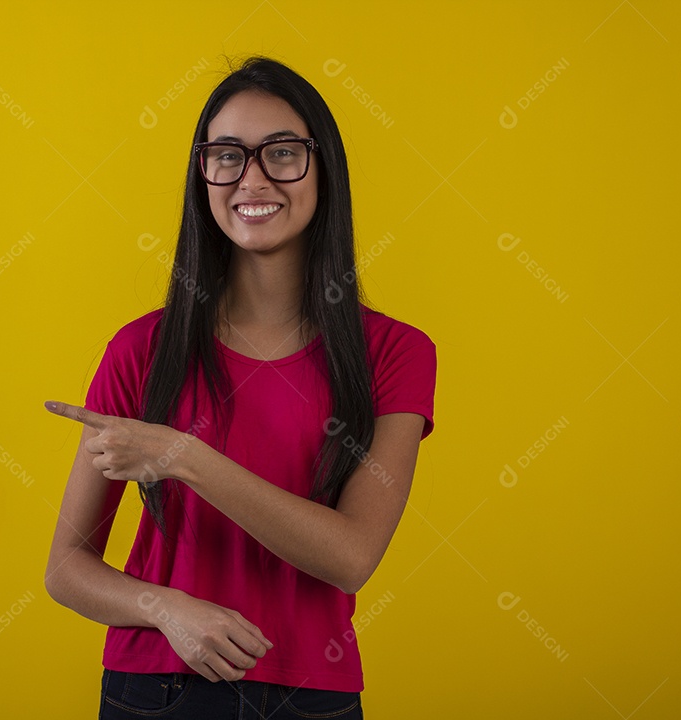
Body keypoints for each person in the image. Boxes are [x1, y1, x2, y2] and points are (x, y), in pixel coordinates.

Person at [43, 55, 436, 719]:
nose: (252, 178)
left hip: (312, 695)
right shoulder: (141, 348)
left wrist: (180, 457)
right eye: (226, 155)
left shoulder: (394, 353)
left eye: (282, 153)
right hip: (154, 690)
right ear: (203, 174)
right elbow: (66, 569)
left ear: (324, 170)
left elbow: (350, 555)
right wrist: (163, 607)